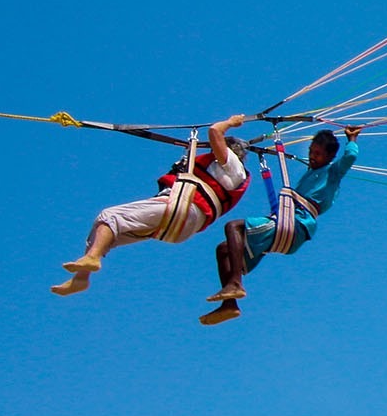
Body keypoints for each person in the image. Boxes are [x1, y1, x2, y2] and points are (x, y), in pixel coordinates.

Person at [54, 114, 251, 296]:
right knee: (105, 231)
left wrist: (231, 122)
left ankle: (91, 261)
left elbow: (215, 131)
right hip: (182, 224)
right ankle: (82, 277)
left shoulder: (234, 166)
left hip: (182, 208)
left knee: (109, 216)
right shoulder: (223, 170)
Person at [200, 124, 360, 326]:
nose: (312, 156)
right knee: (223, 250)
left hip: (295, 225)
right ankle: (229, 304)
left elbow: (350, 158)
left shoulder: (333, 173)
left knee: (234, 227)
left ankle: (234, 282)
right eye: (311, 151)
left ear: (330, 157)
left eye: (318, 154)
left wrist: (352, 140)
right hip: (287, 225)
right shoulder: (310, 175)